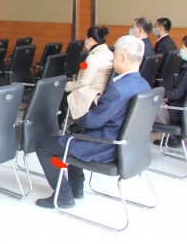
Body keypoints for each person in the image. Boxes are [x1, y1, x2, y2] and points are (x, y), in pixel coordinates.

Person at [34, 35, 149, 209]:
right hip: (127, 146)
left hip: (105, 146)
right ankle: (76, 187)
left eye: (115, 55)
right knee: (72, 133)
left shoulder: (118, 89)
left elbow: (93, 122)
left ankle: (63, 196)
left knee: (43, 145)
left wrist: (78, 121)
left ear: (123, 57)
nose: (113, 58)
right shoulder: (143, 84)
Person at [64, 26, 113, 120]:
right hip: (102, 91)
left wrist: (68, 86)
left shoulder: (94, 57)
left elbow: (84, 82)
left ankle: (61, 122)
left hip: (91, 94)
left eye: (86, 38)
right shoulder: (110, 54)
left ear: (90, 39)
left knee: (64, 92)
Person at [153, 35, 187, 148]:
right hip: (179, 108)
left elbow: (176, 94)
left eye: (183, 47)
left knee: (145, 109)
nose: (181, 50)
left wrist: (161, 92)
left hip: (176, 111)